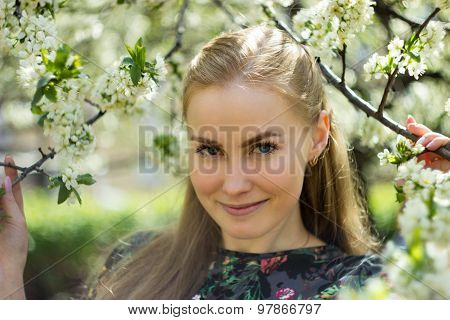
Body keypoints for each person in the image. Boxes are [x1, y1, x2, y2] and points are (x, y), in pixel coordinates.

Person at [1, 24, 449, 300]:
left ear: (316, 136)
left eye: (263, 148)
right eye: (210, 150)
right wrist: (7, 272)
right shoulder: (134, 262)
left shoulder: (371, 290)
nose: (234, 184)